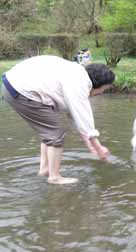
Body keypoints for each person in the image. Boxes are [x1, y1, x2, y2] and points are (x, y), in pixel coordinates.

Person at [2, 55, 115, 184]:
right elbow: (84, 117)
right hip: (21, 89)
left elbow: (76, 117)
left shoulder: (76, 73)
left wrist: (91, 145)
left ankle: (45, 170)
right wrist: (98, 147)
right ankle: (55, 177)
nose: (101, 93)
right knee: (56, 133)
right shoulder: (80, 82)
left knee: (49, 131)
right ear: (98, 84)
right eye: (104, 89)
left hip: (12, 85)